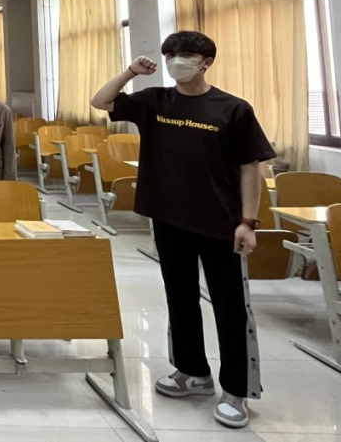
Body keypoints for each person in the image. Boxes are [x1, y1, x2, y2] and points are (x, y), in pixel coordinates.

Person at [90, 31, 274, 429]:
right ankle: (193, 373)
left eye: (186, 54)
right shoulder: (155, 101)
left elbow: (250, 168)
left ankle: (236, 390)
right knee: (180, 297)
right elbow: (101, 101)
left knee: (230, 306)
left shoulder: (233, 109)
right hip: (169, 218)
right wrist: (130, 72)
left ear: (206, 62)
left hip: (221, 222)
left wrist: (248, 221)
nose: (176, 60)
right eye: (171, 54)